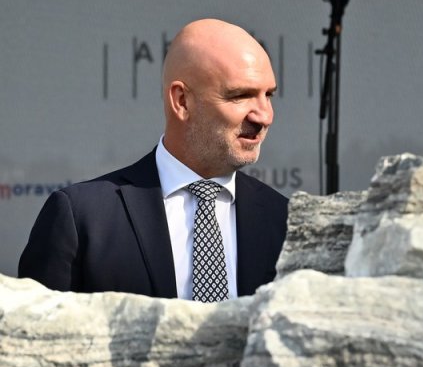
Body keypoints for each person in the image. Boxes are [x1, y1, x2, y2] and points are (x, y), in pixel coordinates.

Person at [18, 18, 289, 299]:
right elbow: (31, 337)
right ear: (182, 101)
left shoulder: (285, 221)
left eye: (268, 95)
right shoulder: (81, 218)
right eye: (240, 95)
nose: (264, 116)